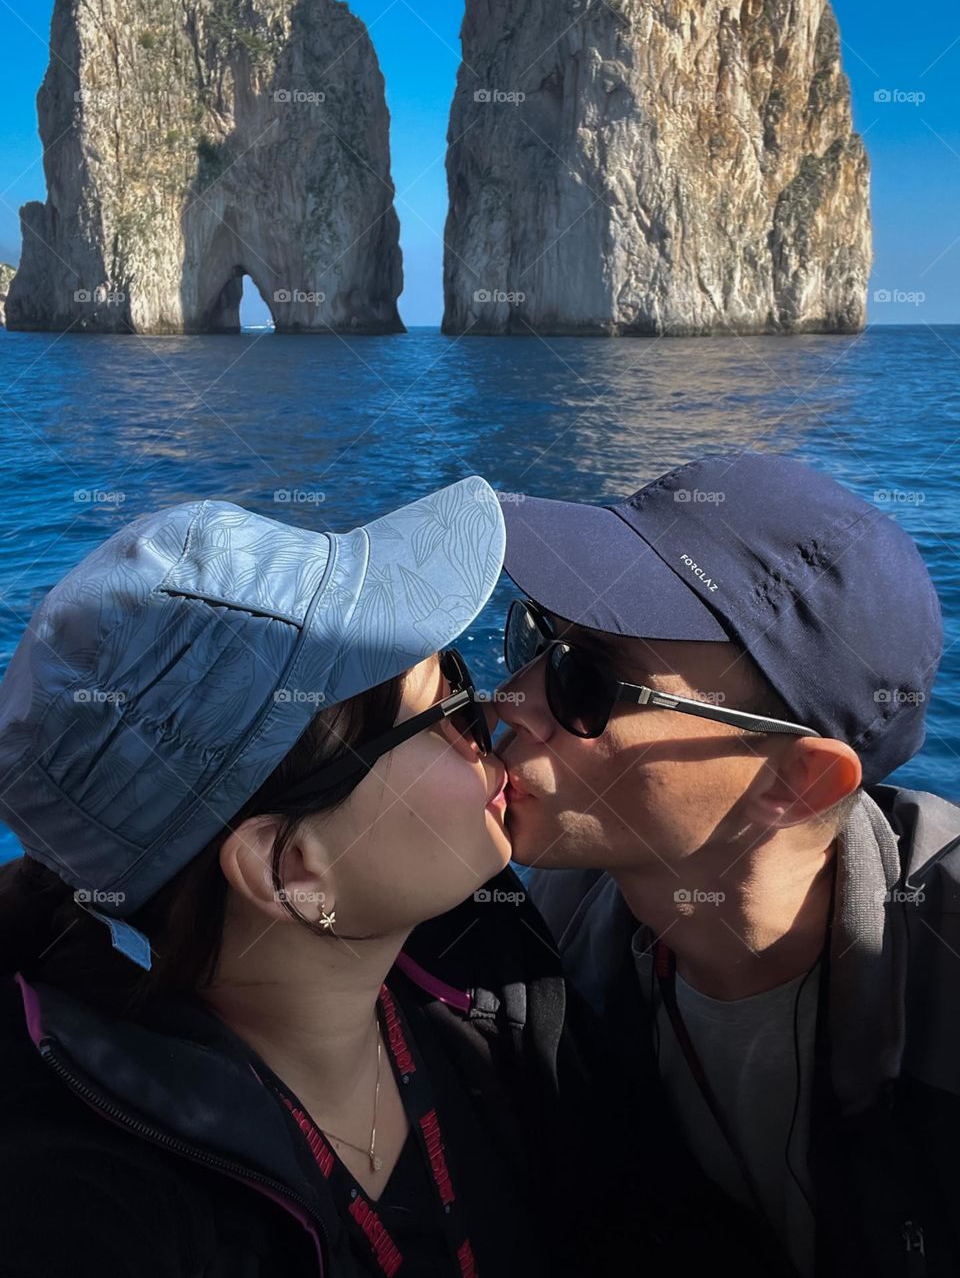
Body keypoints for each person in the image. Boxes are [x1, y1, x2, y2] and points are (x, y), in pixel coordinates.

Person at [0, 477, 616, 1278]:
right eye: (450, 707)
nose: (494, 720)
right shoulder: (105, 1215)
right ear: (291, 868)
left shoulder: (482, 957)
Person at [493, 451, 960, 1278]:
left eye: (586, 681)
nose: (511, 699)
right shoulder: (539, 937)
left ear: (797, 781)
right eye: (534, 636)